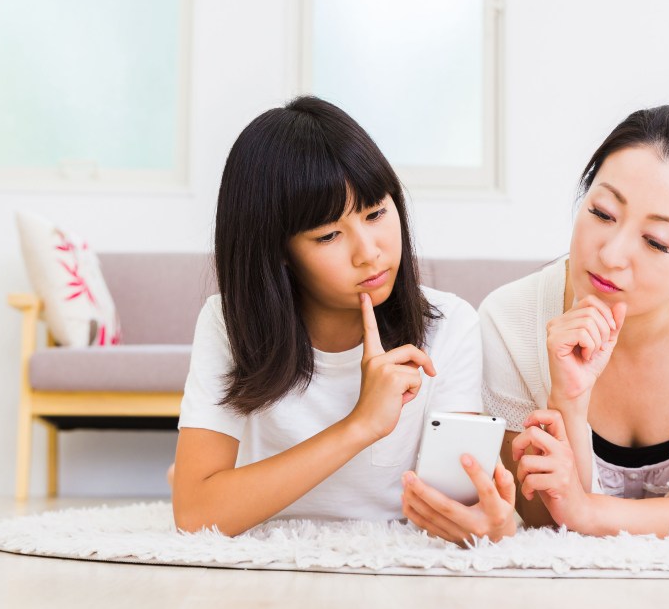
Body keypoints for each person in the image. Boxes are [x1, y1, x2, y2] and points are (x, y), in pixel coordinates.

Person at [401, 105, 669, 541]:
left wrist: (589, 511)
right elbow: (544, 519)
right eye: (602, 213)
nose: (611, 255)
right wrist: (569, 400)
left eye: (655, 241)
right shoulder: (509, 319)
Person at [171, 96, 486, 536]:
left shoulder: (450, 324)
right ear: (276, 251)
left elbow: (459, 508)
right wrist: (359, 426)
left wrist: (486, 521)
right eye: (329, 235)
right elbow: (194, 514)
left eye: (376, 213)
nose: (369, 252)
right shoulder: (228, 324)